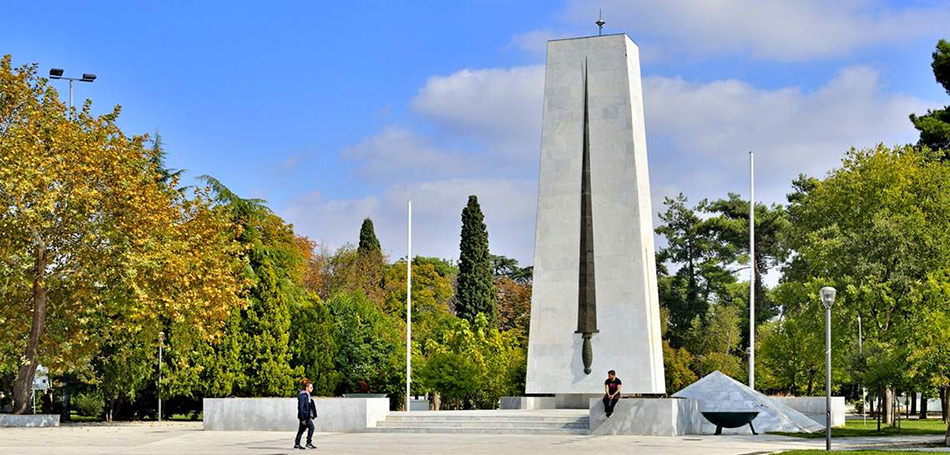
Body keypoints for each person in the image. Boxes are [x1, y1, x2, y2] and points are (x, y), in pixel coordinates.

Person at [294, 380, 317, 450]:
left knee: (301, 430)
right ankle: (308, 443)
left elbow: (309, 407)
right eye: (311, 387)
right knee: (312, 427)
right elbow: (301, 408)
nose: (312, 388)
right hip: (304, 417)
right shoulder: (303, 395)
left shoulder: (307, 395)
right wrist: (302, 419)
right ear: (307, 388)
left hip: (307, 416)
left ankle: (297, 444)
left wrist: (312, 415)